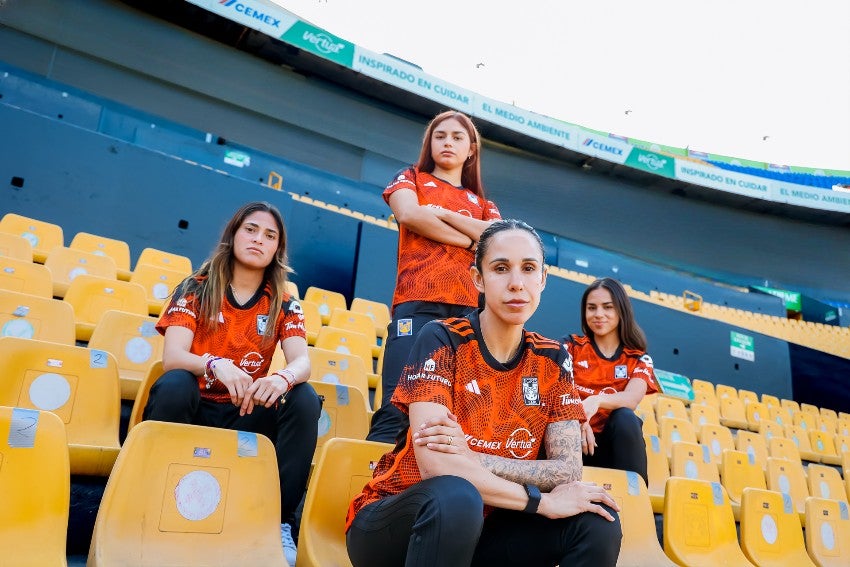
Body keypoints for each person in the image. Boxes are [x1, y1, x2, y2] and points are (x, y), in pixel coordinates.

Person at [347, 219, 622, 567]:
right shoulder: (441, 338)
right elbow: (439, 468)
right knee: (456, 495)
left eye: (528, 268)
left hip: (488, 527)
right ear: (478, 278)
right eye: (501, 268)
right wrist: (541, 502)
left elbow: (567, 472)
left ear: (543, 279)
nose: (516, 283)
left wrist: (473, 458)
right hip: (397, 521)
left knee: (596, 520)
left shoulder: (553, 358)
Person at [143, 201, 321, 566]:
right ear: (234, 235)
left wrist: (283, 377)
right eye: (251, 229)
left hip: (245, 415)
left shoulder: (286, 302)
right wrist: (214, 364)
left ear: (277, 249)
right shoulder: (196, 286)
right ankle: (151, 505)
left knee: (304, 398)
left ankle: (278, 523)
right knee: (175, 383)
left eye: (270, 235)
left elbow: (303, 361)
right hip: (197, 408)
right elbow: (173, 356)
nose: (259, 239)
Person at [368, 110, 502, 444]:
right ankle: (370, 492)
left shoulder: (483, 203)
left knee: (454, 414)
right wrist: (467, 240)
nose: (448, 143)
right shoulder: (410, 177)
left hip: (466, 314)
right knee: (396, 406)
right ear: (430, 143)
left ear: (471, 149)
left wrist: (441, 213)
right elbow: (409, 213)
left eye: (458, 137)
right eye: (440, 136)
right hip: (415, 304)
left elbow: (496, 234)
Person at [562, 277, 658, 485]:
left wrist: (595, 401)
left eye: (607, 307)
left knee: (626, 417)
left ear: (621, 310)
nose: (598, 314)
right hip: (571, 441)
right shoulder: (570, 346)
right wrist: (579, 417)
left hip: (610, 450)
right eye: (591, 308)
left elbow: (632, 398)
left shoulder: (639, 358)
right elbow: (556, 389)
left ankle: (635, 495)